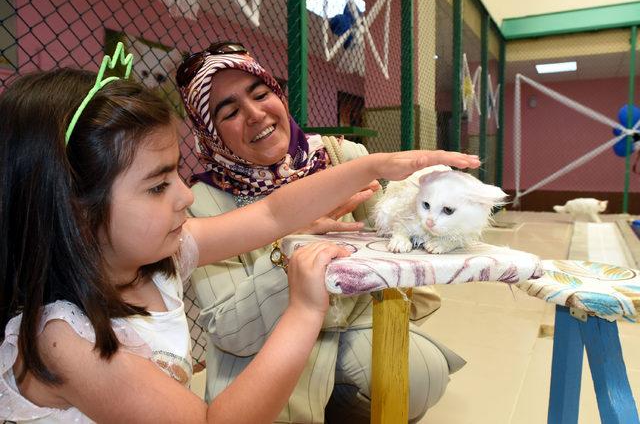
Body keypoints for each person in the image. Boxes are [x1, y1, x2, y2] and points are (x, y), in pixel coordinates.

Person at [0, 49, 480, 422]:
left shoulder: (160, 255)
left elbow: (273, 213)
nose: (185, 197)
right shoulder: (65, 341)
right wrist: (304, 310)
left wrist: (376, 165)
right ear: (76, 212)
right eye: (157, 185)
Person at [178, 42, 468, 423]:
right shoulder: (201, 202)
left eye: (261, 94)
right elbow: (230, 333)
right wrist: (291, 246)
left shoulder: (342, 159)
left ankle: (341, 398)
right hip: (264, 344)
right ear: (210, 132)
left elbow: (403, 268)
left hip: (356, 323)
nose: (254, 114)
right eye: (229, 111)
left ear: (278, 94)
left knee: (419, 376)